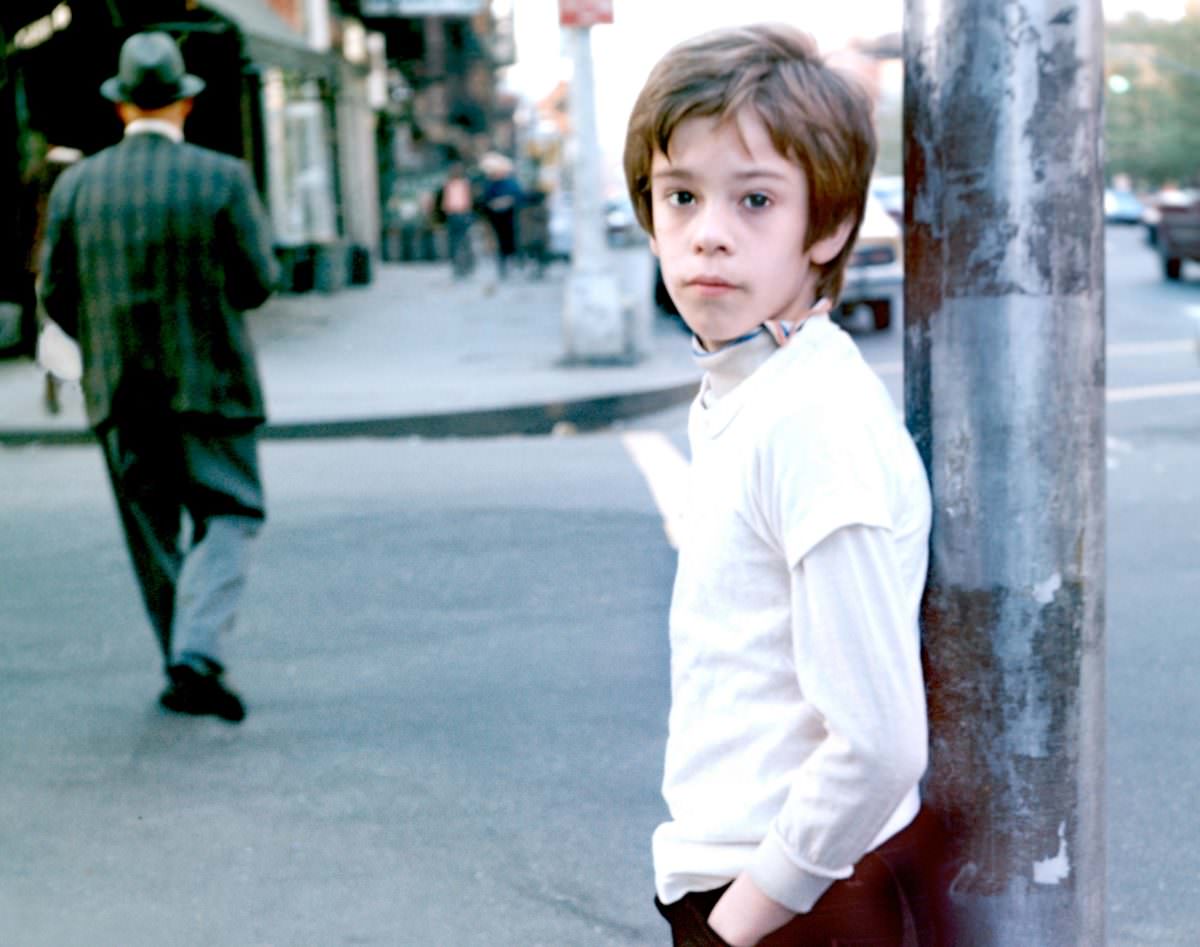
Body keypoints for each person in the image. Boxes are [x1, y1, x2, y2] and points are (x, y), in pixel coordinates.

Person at [623, 24, 944, 946]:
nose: (708, 233)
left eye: (756, 199)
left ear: (830, 225)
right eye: (679, 195)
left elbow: (880, 743)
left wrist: (739, 923)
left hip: (790, 901)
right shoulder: (752, 384)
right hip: (749, 876)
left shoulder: (810, 419)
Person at [39, 31, 278, 724]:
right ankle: (195, 654)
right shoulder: (222, 177)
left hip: (119, 389)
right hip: (213, 387)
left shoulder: (78, 186)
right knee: (231, 512)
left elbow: (55, 292)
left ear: (121, 109)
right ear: (184, 104)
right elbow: (258, 282)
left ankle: (186, 658)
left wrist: (108, 340)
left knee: (152, 532)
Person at [479, 151, 522, 279]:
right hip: (496, 217)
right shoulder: (490, 184)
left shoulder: (510, 182)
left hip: (509, 215)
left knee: (511, 239)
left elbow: (518, 196)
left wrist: (507, 201)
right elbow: (485, 199)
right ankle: (503, 263)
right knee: (500, 240)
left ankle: (512, 260)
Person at [439, 162, 476, 277]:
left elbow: (468, 200)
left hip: (462, 214)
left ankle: (466, 266)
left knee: (464, 241)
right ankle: (457, 266)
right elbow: (445, 201)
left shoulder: (465, 184)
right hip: (453, 215)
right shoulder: (448, 184)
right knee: (455, 242)